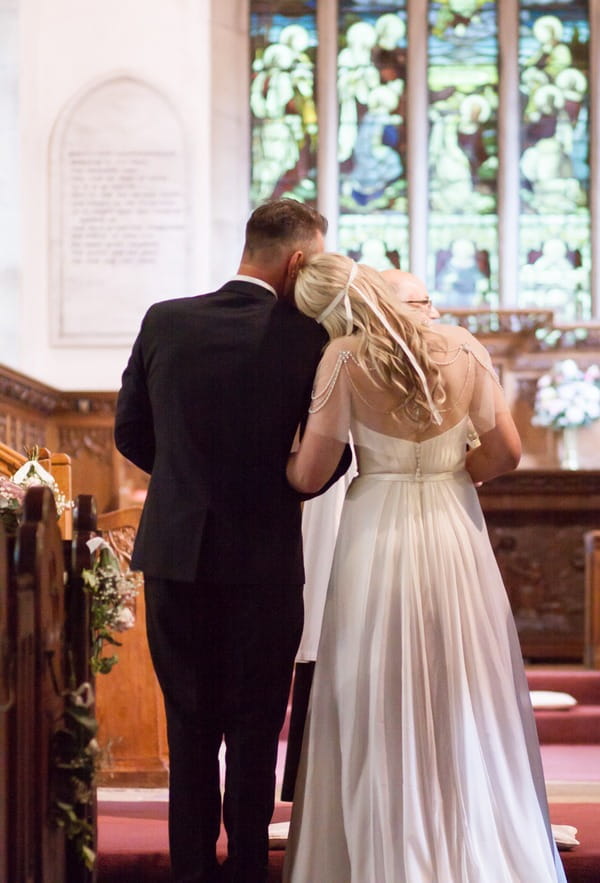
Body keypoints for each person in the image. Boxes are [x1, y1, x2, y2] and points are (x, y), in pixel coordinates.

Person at [282, 253, 566, 882]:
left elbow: (309, 472)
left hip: (377, 527)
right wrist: (451, 476)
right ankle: (472, 839)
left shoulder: (345, 357)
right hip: (451, 522)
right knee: (461, 679)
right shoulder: (463, 347)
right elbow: (506, 451)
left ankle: (387, 844)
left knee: (374, 682)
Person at [114, 199, 352, 883]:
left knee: (189, 728)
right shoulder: (309, 339)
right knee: (254, 729)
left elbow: (130, 430)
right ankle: (248, 865)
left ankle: (191, 870)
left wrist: (191, 478)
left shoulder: (166, 319)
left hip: (175, 556)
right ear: (299, 261)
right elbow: (324, 465)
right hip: (265, 564)